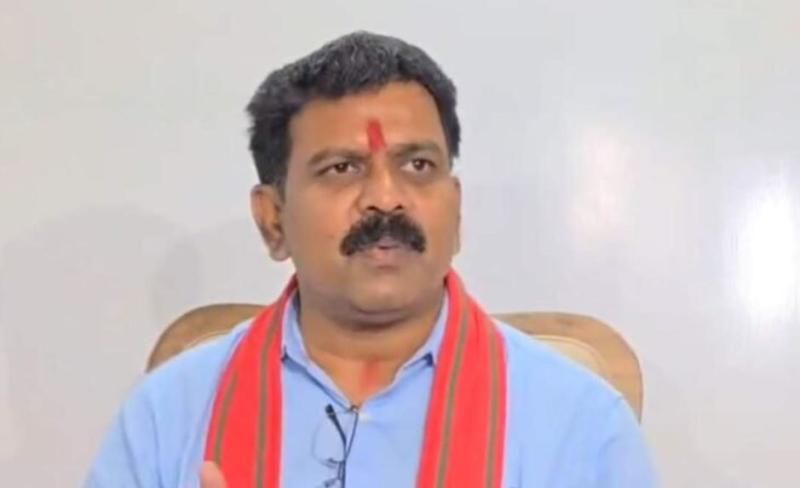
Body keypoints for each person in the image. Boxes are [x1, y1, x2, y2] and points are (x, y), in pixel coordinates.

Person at [86, 31, 656, 487]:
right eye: (343, 168)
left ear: (456, 210)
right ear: (273, 218)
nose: (386, 197)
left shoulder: (581, 424)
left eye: (418, 166)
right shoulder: (168, 416)